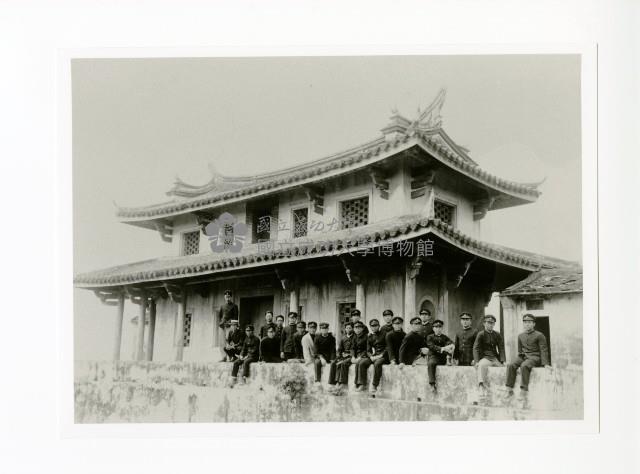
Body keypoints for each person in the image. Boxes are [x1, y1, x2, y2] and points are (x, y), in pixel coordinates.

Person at [505, 314, 550, 401]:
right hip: (524, 356)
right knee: (510, 365)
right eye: (525, 322)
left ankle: (523, 391)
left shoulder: (540, 335)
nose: (527, 324)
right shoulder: (520, 336)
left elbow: (544, 350)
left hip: (535, 357)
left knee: (524, 366)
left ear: (534, 324)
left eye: (529, 322)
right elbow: (520, 350)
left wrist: (545, 364)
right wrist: (518, 359)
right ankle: (509, 390)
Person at [473, 314, 506, 399]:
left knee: (504, 369)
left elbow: (501, 348)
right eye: (488, 323)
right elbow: (475, 348)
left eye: (492, 323)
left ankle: (504, 389)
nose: (490, 325)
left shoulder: (497, 334)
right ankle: (481, 386)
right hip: (485, 357)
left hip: (495, 358)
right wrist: (476, 361)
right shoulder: (481, 334)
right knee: (481, 366)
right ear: (484, 323)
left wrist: (503, 360)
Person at [371, 316, 405, 396]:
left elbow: (404, 349)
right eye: (395, 324)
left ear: (401, 325)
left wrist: (401, 360)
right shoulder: (389, 335)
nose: (397, 325)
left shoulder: (404, 335)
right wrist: (392, 360)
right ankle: (374, 385)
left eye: (399, 324)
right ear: (392, 325)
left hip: (400, 357)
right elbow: (389, 348)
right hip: (388, 356)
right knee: (378, 363)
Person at [354, 319, 385, 392]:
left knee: (377, 364)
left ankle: (374, 385)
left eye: (376, 326)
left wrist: (380, 355)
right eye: (372, 326)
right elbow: (368, 350)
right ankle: (361, 384)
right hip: (374, 355)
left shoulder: (384, 334)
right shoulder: (370, 337)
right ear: (370, 327)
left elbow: (387, 347)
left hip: (383, 356)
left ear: (379, 326)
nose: (374, 328)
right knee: (361, 362)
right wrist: (371, 356)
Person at [426, 320, 455, 393]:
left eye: (440, 327)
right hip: (434, 356)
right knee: (431, 364)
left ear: (442, 328)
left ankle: (448, 360)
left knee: (450, 348)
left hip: (443, 357)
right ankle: (432, 384)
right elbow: (431, 346)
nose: (438, 329)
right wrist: (442, 348)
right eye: (436, 327)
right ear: (433, 328)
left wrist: (451, 345)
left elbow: (450, 342)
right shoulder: (430, 337)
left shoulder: (444, 337)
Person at [329, 321, 355, 395]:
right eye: (347, 328)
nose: (348, 329)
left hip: (350, 356)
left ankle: (341, 383)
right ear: (345, 329)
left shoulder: (355, 337)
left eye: (350, 328)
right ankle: (333, 383)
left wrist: (348, 354)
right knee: (334, 363)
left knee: (343, 364)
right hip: (342, 356)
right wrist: (339, 356)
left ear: (352, 329)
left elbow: (354, 349)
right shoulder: (343, 338)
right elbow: (340, 349)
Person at [217, 290, 239, 361]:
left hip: (229, 326)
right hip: (222, 326)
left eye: (229, 297)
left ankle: (230, 357)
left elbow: (235, 318)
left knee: (228, 341)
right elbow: (220, 316)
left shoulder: (234, 306)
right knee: (221, 342)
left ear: (231, 297)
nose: (228, 298)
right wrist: (221, 323)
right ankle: (223, 357)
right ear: (224, 297)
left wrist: (229, 323)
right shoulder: (222, 306)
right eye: (226, 297)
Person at [351, 321, 369, 391]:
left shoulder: (366, 337)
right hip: (357, 357)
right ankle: (356, 384)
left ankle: (362, 384)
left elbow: (367, 349)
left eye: (359, 328)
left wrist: (360, 357)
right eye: (356, 328)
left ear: (362, 329)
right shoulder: (354, 337)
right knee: (356, 364)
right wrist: (353, 357)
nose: (357, 330)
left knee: (360, 364)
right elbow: (352, 348)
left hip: (365, 356)